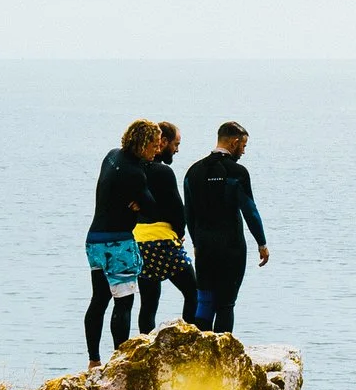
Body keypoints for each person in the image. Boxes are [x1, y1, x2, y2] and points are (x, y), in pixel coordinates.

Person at [182, 120, 269, 334]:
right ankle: (221, 358)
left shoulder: (192, 172)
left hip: (204, 246)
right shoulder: (237, 172)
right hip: (231, 247)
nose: (244, 151)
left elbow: (189, 213)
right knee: (225, 304)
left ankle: (200, 355)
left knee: (204, 302)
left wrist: (196, 242)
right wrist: (262, 243)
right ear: (235, 142)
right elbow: (249, 210)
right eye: (244, 146)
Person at [86, 120, 160, 364]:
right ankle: (120, 360)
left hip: (95, 239)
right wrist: (140, 204)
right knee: (124, 303)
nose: (156, 151)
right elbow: (152, 207)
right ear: (143, 143)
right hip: (118, 243)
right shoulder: (135, 173)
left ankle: (93, 359)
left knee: (99, 300)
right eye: (154, 145)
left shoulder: (112, 156)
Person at [135, 120, 200, 333]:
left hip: (139, 241)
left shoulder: (134, 169)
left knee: (148, 303)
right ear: (162, 142)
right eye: (176, 144)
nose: (177, 150)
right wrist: (181, 233)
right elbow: (177, 209)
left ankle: (144, 344)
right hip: (163, 241)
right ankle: (188, 340)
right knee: (193, 292)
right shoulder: (163, 172)